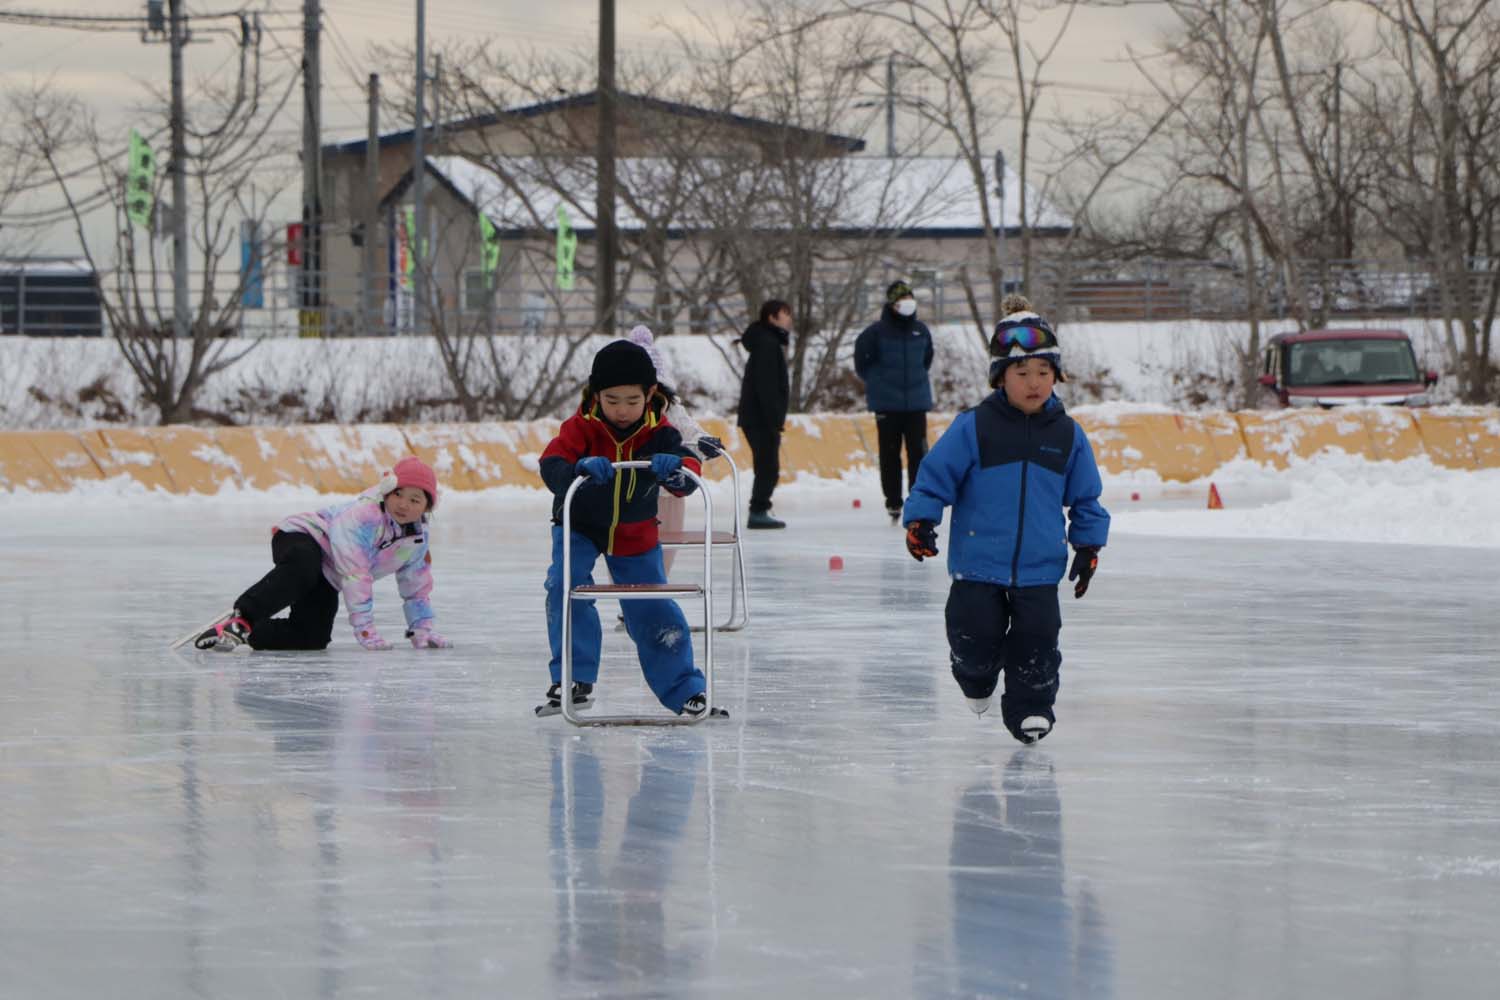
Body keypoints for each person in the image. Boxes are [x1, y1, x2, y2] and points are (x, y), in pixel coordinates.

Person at [901, 295, 1109, 744]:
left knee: (1038, 642)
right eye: (1022, 373)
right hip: (978, 563)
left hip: (1039, 567)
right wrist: (921, 520)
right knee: (973, 639)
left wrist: (1089, 546)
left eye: (1044, 372)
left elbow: (1087, 497)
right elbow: (935, 478)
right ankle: (975, 678)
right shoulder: (974, 427)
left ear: (1056, 375)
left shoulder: (1068, 435)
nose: (1035, 383)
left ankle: (1031, 708)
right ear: (1001, 377)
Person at [536, 339, 710, 719]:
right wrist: (576, 471)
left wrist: (676, 469)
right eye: (611, 400)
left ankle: (684, 687)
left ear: (650, 394)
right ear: (596, 394)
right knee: (565, 586)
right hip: (579, 526)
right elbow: (551, 463)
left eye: (632, 400)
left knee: (653, 605)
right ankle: (574, 678)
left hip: (635, 531)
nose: (621, 410)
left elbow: (690, 470)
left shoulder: (659, 432)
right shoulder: (580, 427)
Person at [193, 456, 449, 652]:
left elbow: (416, 588)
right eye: (398, 494)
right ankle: (245, 617)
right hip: (305, 536)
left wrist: (420, 629)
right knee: (304, 566)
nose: (404, 504)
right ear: (387, 490)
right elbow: (355, 574)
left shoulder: (416, 540)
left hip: (329, 574)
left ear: (428, 507)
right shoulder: (365, 516)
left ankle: (244, 633)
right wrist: (365, 629)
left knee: (312, 637)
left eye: (415, 500)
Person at [622, 324, 722, 570]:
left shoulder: (672, 410)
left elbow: (689, 433)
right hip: (628, 493)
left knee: (664, 549)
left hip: (668, 494)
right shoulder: (620, 413)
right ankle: (629, 598)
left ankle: (657, 591)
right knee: (626, 551)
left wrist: (704, 443)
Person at [854, 278, 935, 522]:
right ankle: (893, 501)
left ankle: (917, 497)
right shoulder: (874, 333)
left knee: (918, 453)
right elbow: (862, 365)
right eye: (901, 301)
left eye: (909, 299)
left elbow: (926, 360)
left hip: (916, 403)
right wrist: (879, 383)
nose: (907, 304)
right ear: (891, 305)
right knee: (890, 455)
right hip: (886, 404)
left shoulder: (921, 330)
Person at [736, 299, 793, 529]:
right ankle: (758, 510)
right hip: (761, 418)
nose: (789, 319)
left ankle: (760, 508)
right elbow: (767, 386)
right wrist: (774, 418)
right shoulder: (767, 344)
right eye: (785, 314)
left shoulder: (765, 341)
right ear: (772, 317)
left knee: (767, 465)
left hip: (758, 416)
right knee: (768, 466)